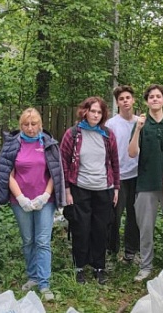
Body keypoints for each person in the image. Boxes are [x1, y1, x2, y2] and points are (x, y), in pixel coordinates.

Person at [0, 108, 66, 301]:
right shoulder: (12, 144)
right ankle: (33, 276)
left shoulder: (49, 144)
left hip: (45, 200)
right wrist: (20, 198)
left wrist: (45, 195)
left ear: (40, 124)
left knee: (42, 241)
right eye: (26, 124)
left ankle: (44, 284)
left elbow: (55, 172)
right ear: (21, 126)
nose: (30, 128)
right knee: (28, 240)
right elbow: (7, 172)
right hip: (21, 201)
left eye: (33, 124)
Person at [60, 96, 119, 285]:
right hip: (80, 189)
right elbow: (63, 163)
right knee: (81, 229)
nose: (95, 114)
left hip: (104, 188)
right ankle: (79, 267)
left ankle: (98, 266)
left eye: (99, 112)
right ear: (84, 111)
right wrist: (67, 190)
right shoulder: (73, 134)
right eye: (92, 110)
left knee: (100, 230)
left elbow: (115, 163)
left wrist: (116, 188)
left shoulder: (107, 134)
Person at [128, 84, 163, 281]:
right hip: (146, 182)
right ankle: (146, 266)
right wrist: (138, 130)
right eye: (151, 97)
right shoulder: (141, 124)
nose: (155, 99)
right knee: (146, 227)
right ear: (147, 101)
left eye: (158, 96)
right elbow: (132, 153)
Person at [106, 85, 140, 264]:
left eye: (128, 97)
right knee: (114, 217)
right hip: (117, 177)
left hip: (137, 175)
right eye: (121, 99)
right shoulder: (111, 124)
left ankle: (131, 252)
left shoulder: (140, 122)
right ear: (117, 102)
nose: (125, 101)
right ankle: (111, 252)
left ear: (133, 100)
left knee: (134, 217)